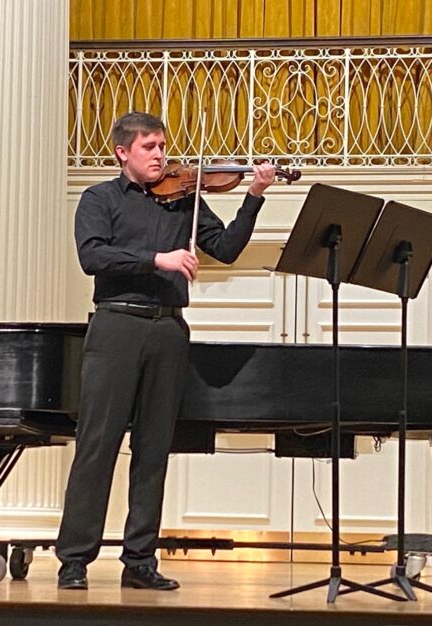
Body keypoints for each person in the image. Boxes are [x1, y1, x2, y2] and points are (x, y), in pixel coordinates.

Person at [56, 112, 275, 590]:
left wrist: (253, 197)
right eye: (149, 147)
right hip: (117, 325)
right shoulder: (99, 199)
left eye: (162, 147)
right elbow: (92, 255)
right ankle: (74, 559)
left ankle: (139, 562)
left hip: (168, 330)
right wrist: (157, 258)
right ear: (123, 152)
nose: (160, 156)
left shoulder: (184, 202)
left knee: (154, 449)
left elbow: (228, 249)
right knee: (98, 446)